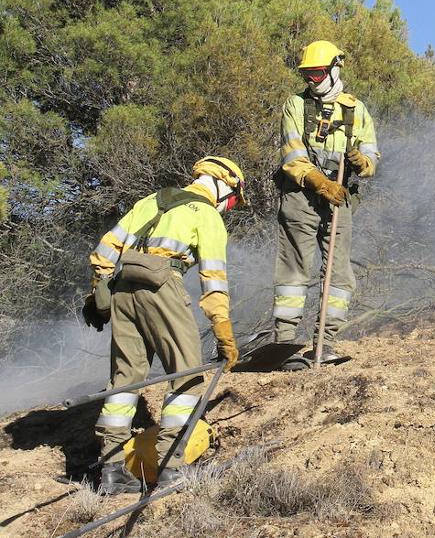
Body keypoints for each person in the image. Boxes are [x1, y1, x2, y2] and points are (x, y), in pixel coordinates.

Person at [82, 156, 245, 495]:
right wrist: (223, 331)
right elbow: (213, 280)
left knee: (125, 378)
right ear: (223, 184)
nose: (228, 207)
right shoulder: (207, 214)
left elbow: (104, 250)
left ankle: (111, 470)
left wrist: (97, 294)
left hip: (122, 289)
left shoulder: (150, 201)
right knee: (186, 375)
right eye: (232, 200)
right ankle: (172, 467)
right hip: (162, 287)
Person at [271, 40, 379, 369]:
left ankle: (325, 343)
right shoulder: (295, 105)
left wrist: (361, 161)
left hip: (339, 198)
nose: (312, 80)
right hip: (301, 194)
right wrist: (319, 182)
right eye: (307, 74)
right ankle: (284, 346)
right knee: (294, 271)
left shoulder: (355, 109)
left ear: (334, 69)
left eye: (318, 73)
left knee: (340, 275)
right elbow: (292, 155)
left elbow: (372, 157)